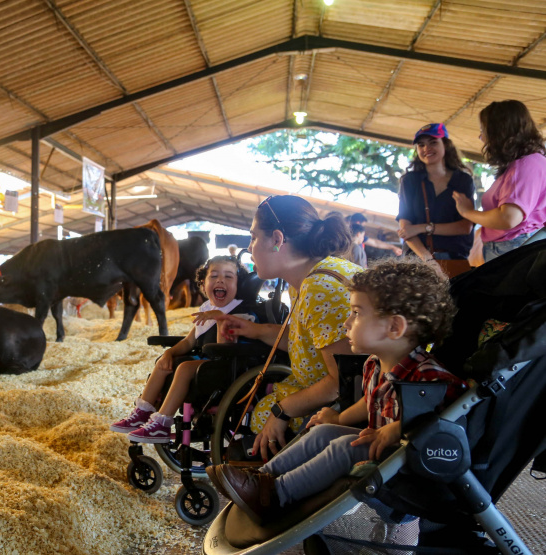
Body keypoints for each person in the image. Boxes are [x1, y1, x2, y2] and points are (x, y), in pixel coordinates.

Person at [207, 259, 467, 523]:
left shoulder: (428, 376)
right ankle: (261, 477)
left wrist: (400, 428)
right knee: (324, 431)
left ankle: (277, 495)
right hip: (381, 449)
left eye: (356, 313)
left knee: (344, 446)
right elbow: (370, 399)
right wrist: (339, 418)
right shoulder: (374, 364)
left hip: (407, 464)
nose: (346, 323)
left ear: (394, 327)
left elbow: (454, 418)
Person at [203, 196, 362, 460]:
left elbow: (341, 382)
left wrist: (281, 410)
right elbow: (310, 341)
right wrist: (254, 330)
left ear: (277, 239)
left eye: (253, 238)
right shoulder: (307, 278)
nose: (250, 247)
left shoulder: (320, 286)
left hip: (332, 416)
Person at [110, 256, 257, 442]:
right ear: (203, 285)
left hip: (229, 371)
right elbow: (188, 342)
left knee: (185, 367)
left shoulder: (240, 313)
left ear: (238, 285)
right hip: (207, 367)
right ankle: (143, 410)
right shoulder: (206, 309)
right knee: (165, 362)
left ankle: (161, 424)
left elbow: (225, 349)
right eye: (214, 276)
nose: (221, 280)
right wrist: (169, 352)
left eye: (229, 277)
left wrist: (220, 318)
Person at [452, 100, 546, 262]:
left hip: (512, 248)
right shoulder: (532, 160)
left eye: (484, 130)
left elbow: (508, 218)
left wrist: (468, 212)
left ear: (499, 132)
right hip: (514, 246)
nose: (481, 137)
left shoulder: (524, 165)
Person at [396, 123, 475, 264]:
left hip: (454, 259)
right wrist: (428, 260)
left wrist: (422, 228)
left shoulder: (463, 180)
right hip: (416, 260)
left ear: (446, 145)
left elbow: (465, 227)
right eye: (421, 145)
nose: (427, 149)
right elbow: (406, 228)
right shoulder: (409, 181)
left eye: (433, 142)